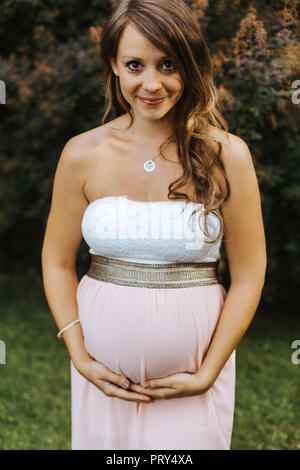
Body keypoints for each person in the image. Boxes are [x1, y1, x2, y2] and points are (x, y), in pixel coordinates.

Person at [41, 0, 267, 450]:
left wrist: (208, 373)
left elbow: (249, 275)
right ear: (114, 65)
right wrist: (79, 355)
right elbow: (55, 260)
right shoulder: (82, 154)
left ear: (190, 64)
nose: (151, 83)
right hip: (103, 380)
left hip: (195, 377)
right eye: (134, 64)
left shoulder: (228, 155)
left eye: (168, 64)